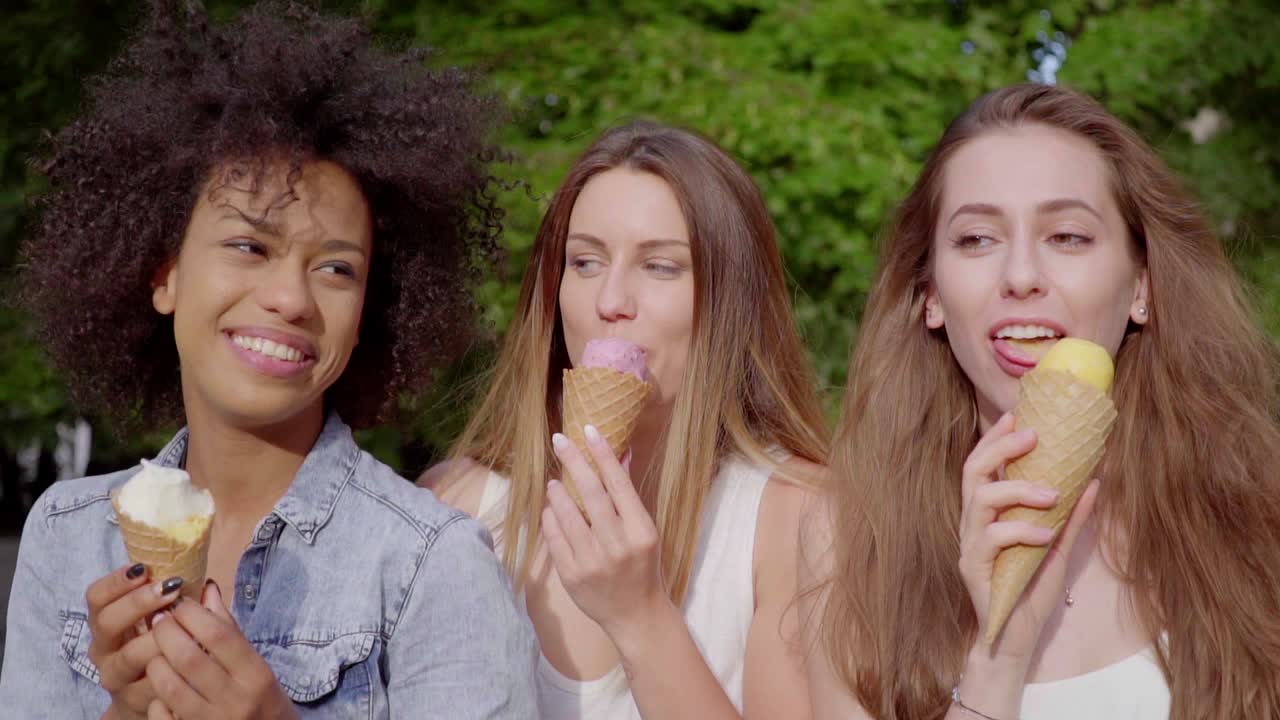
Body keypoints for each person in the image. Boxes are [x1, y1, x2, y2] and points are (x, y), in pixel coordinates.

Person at [0, 2, 538, 717]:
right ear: (164, 275)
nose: (290, 298)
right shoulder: (63, 533)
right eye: (250, 247)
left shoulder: (430, 563)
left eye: (337, 269)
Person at [802, 83, 1280, 720]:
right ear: (931, 295)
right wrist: (996, 663)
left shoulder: (1257, 512)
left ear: (1142, 285)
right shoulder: (850, 538)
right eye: (976, 239)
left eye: (1068, 237)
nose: (1021, 274)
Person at [421, 120, 830, 719]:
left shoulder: (800, 519)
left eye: (660, 267)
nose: (610, 300)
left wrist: (640, 618)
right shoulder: (454, 507)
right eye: (584, 262)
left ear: (731, 304)